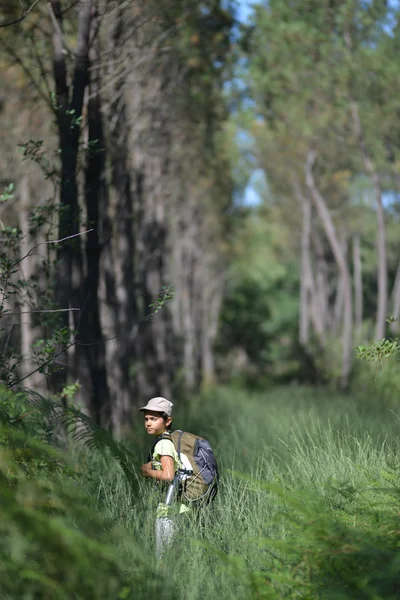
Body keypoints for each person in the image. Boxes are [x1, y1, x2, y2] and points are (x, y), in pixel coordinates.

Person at [138, 397, 190, 558]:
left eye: (153, 419)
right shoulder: (168, 441)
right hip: (178, 507)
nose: (148, 423)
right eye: (146, 419)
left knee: (164, 557)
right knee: (176, 555)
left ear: (167, 421)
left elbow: (168, 475)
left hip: (168, 509)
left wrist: (146, 471)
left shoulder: (163, 444)